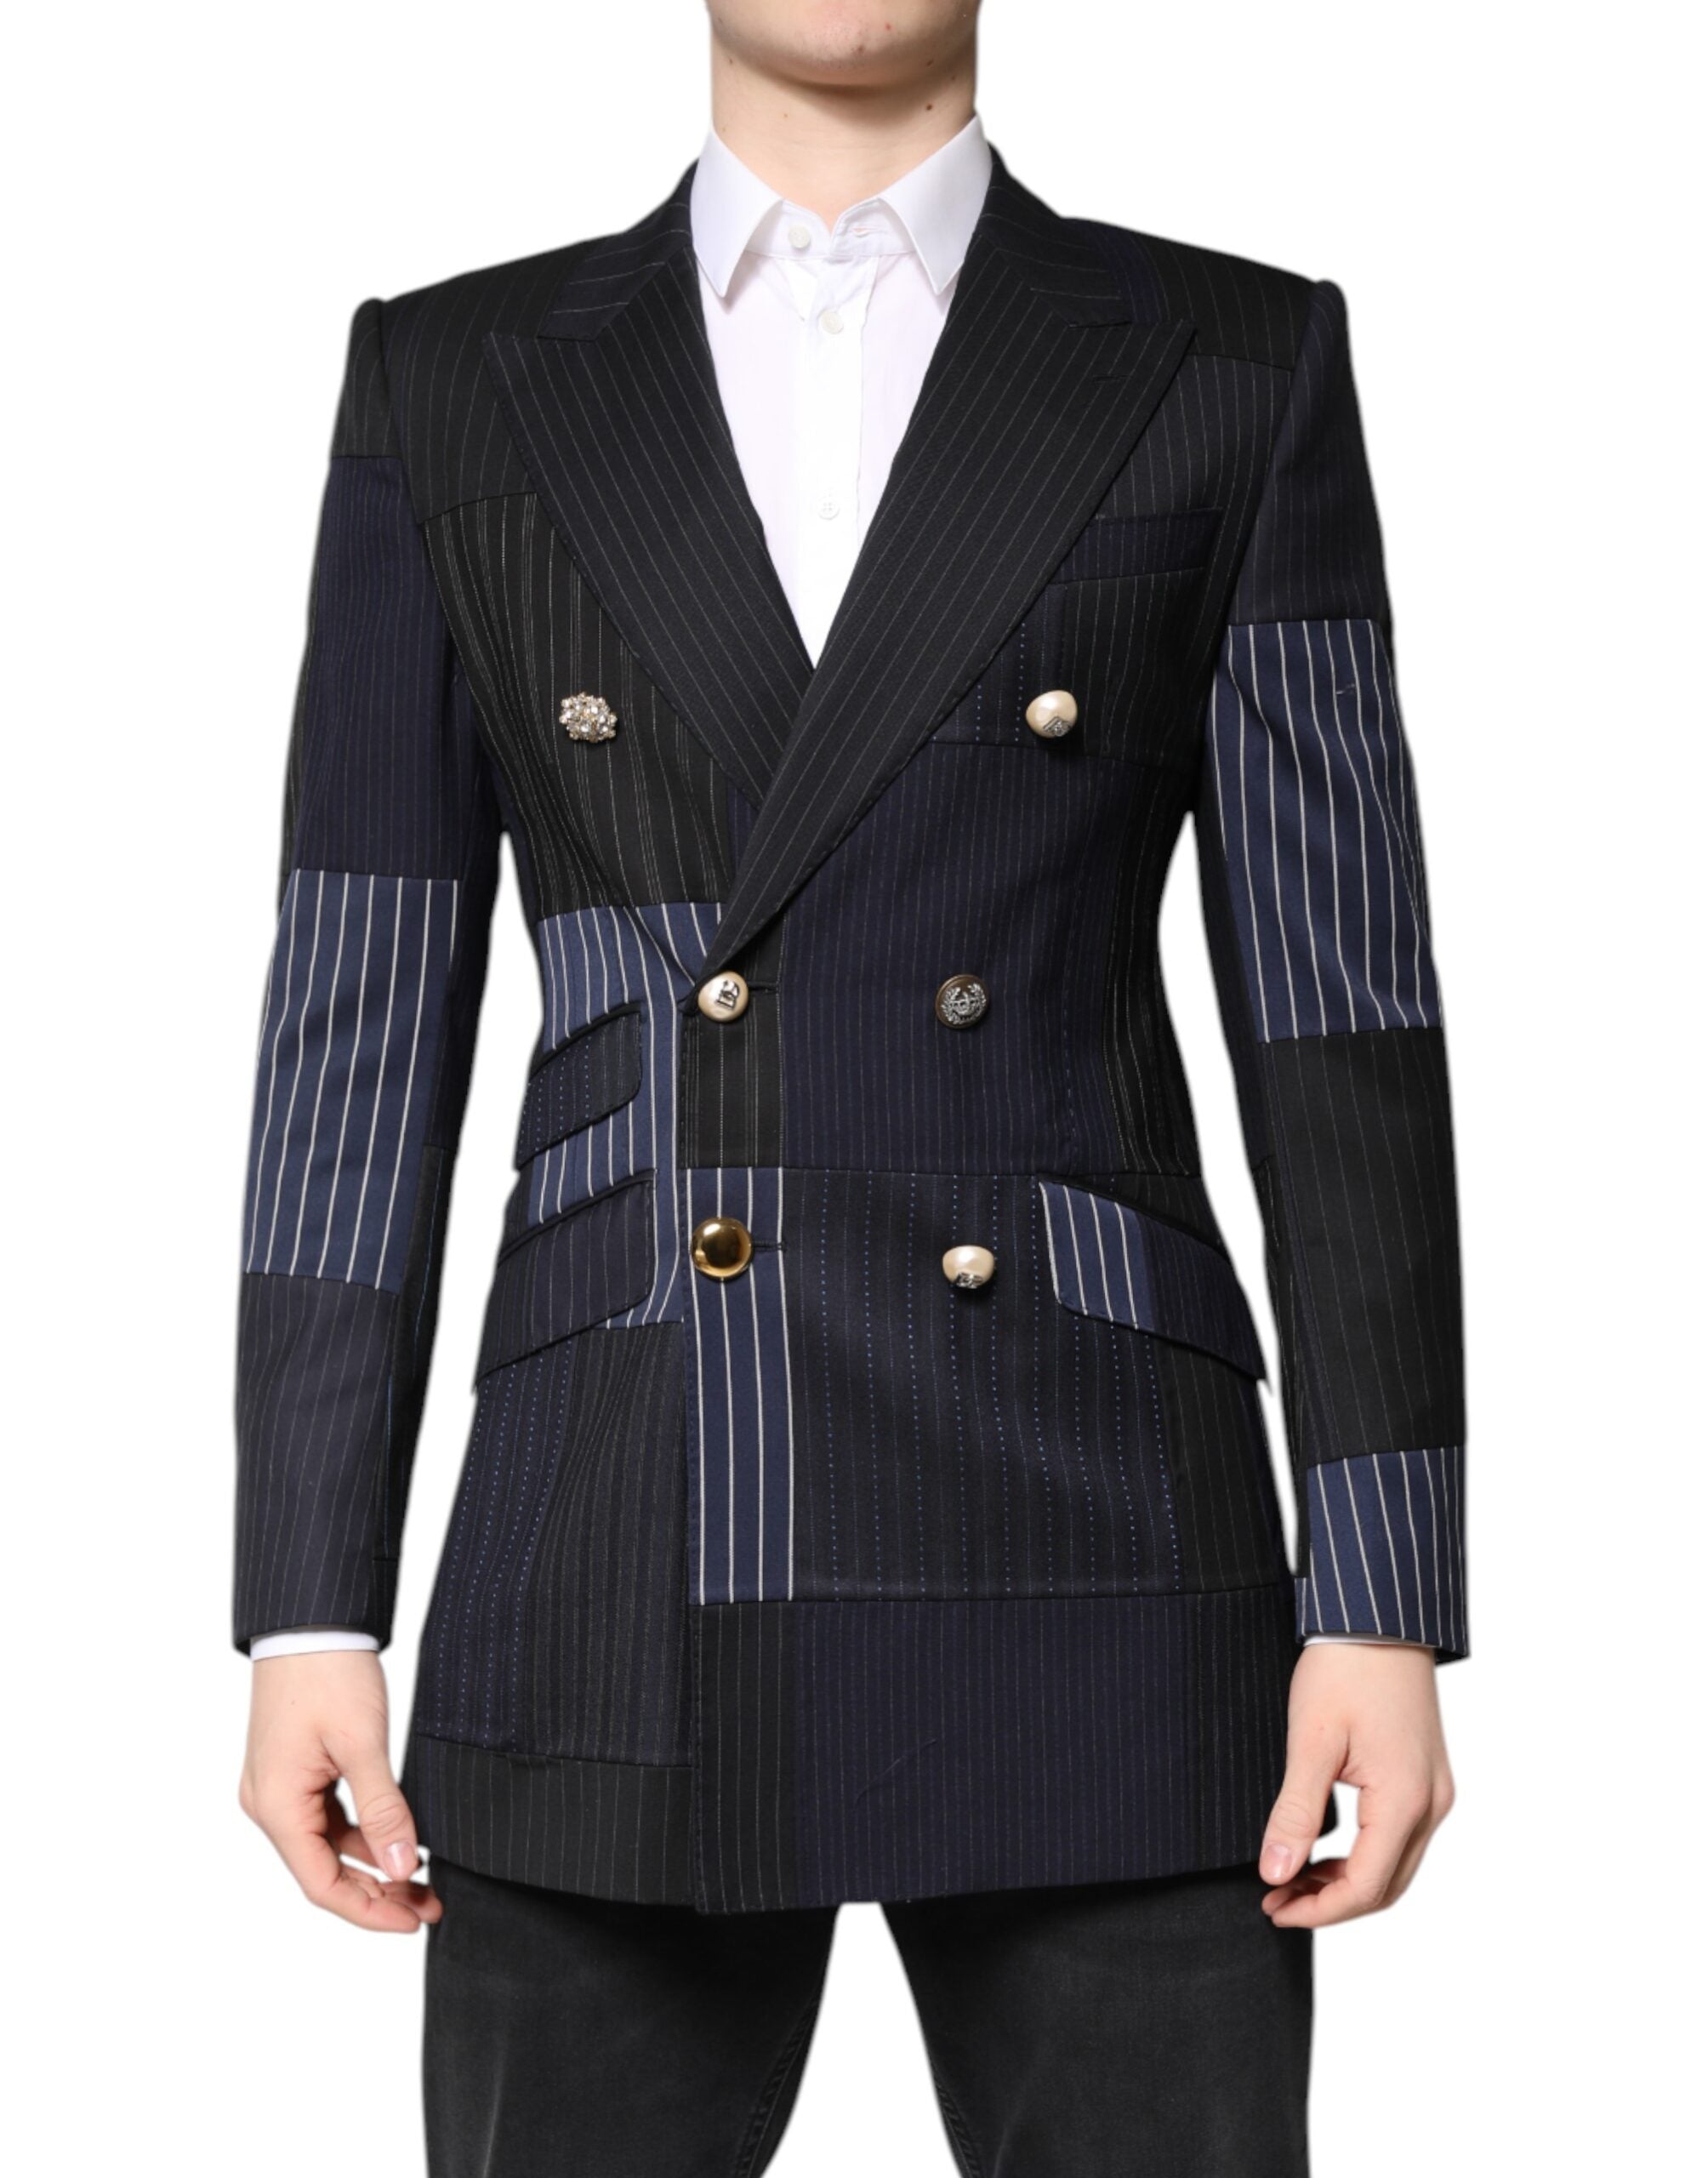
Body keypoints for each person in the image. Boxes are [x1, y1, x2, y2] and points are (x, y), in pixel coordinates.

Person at [236, 3, 1463, 2169]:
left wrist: (1379, 1581)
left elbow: (1338, 1013)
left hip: (1098, 1519)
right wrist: (307, 1597)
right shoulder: (454, 373)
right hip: (620, 1509)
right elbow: (362, 987)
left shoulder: (1228, 354)